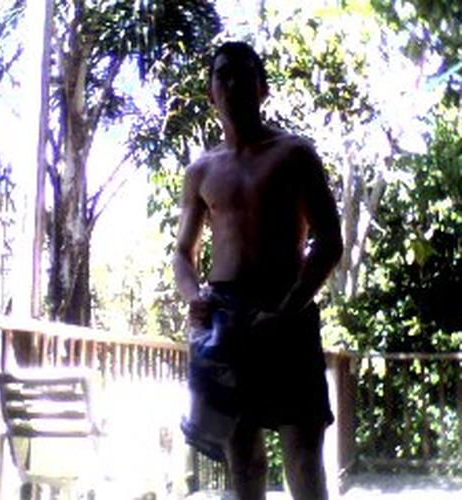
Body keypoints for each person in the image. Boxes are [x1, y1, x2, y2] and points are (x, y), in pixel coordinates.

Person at [173, 41, 343, 500]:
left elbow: (329, 240)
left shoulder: (294, 154)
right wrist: (195, 297)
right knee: (243, 458)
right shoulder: (201, 170)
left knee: (303, 455)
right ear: (210, 92)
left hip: (289, 308)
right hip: (227, 316)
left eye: (244, 75)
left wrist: (289, 308)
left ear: (263, 88)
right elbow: (183, 253)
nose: (233, 84)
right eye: (223, 75)